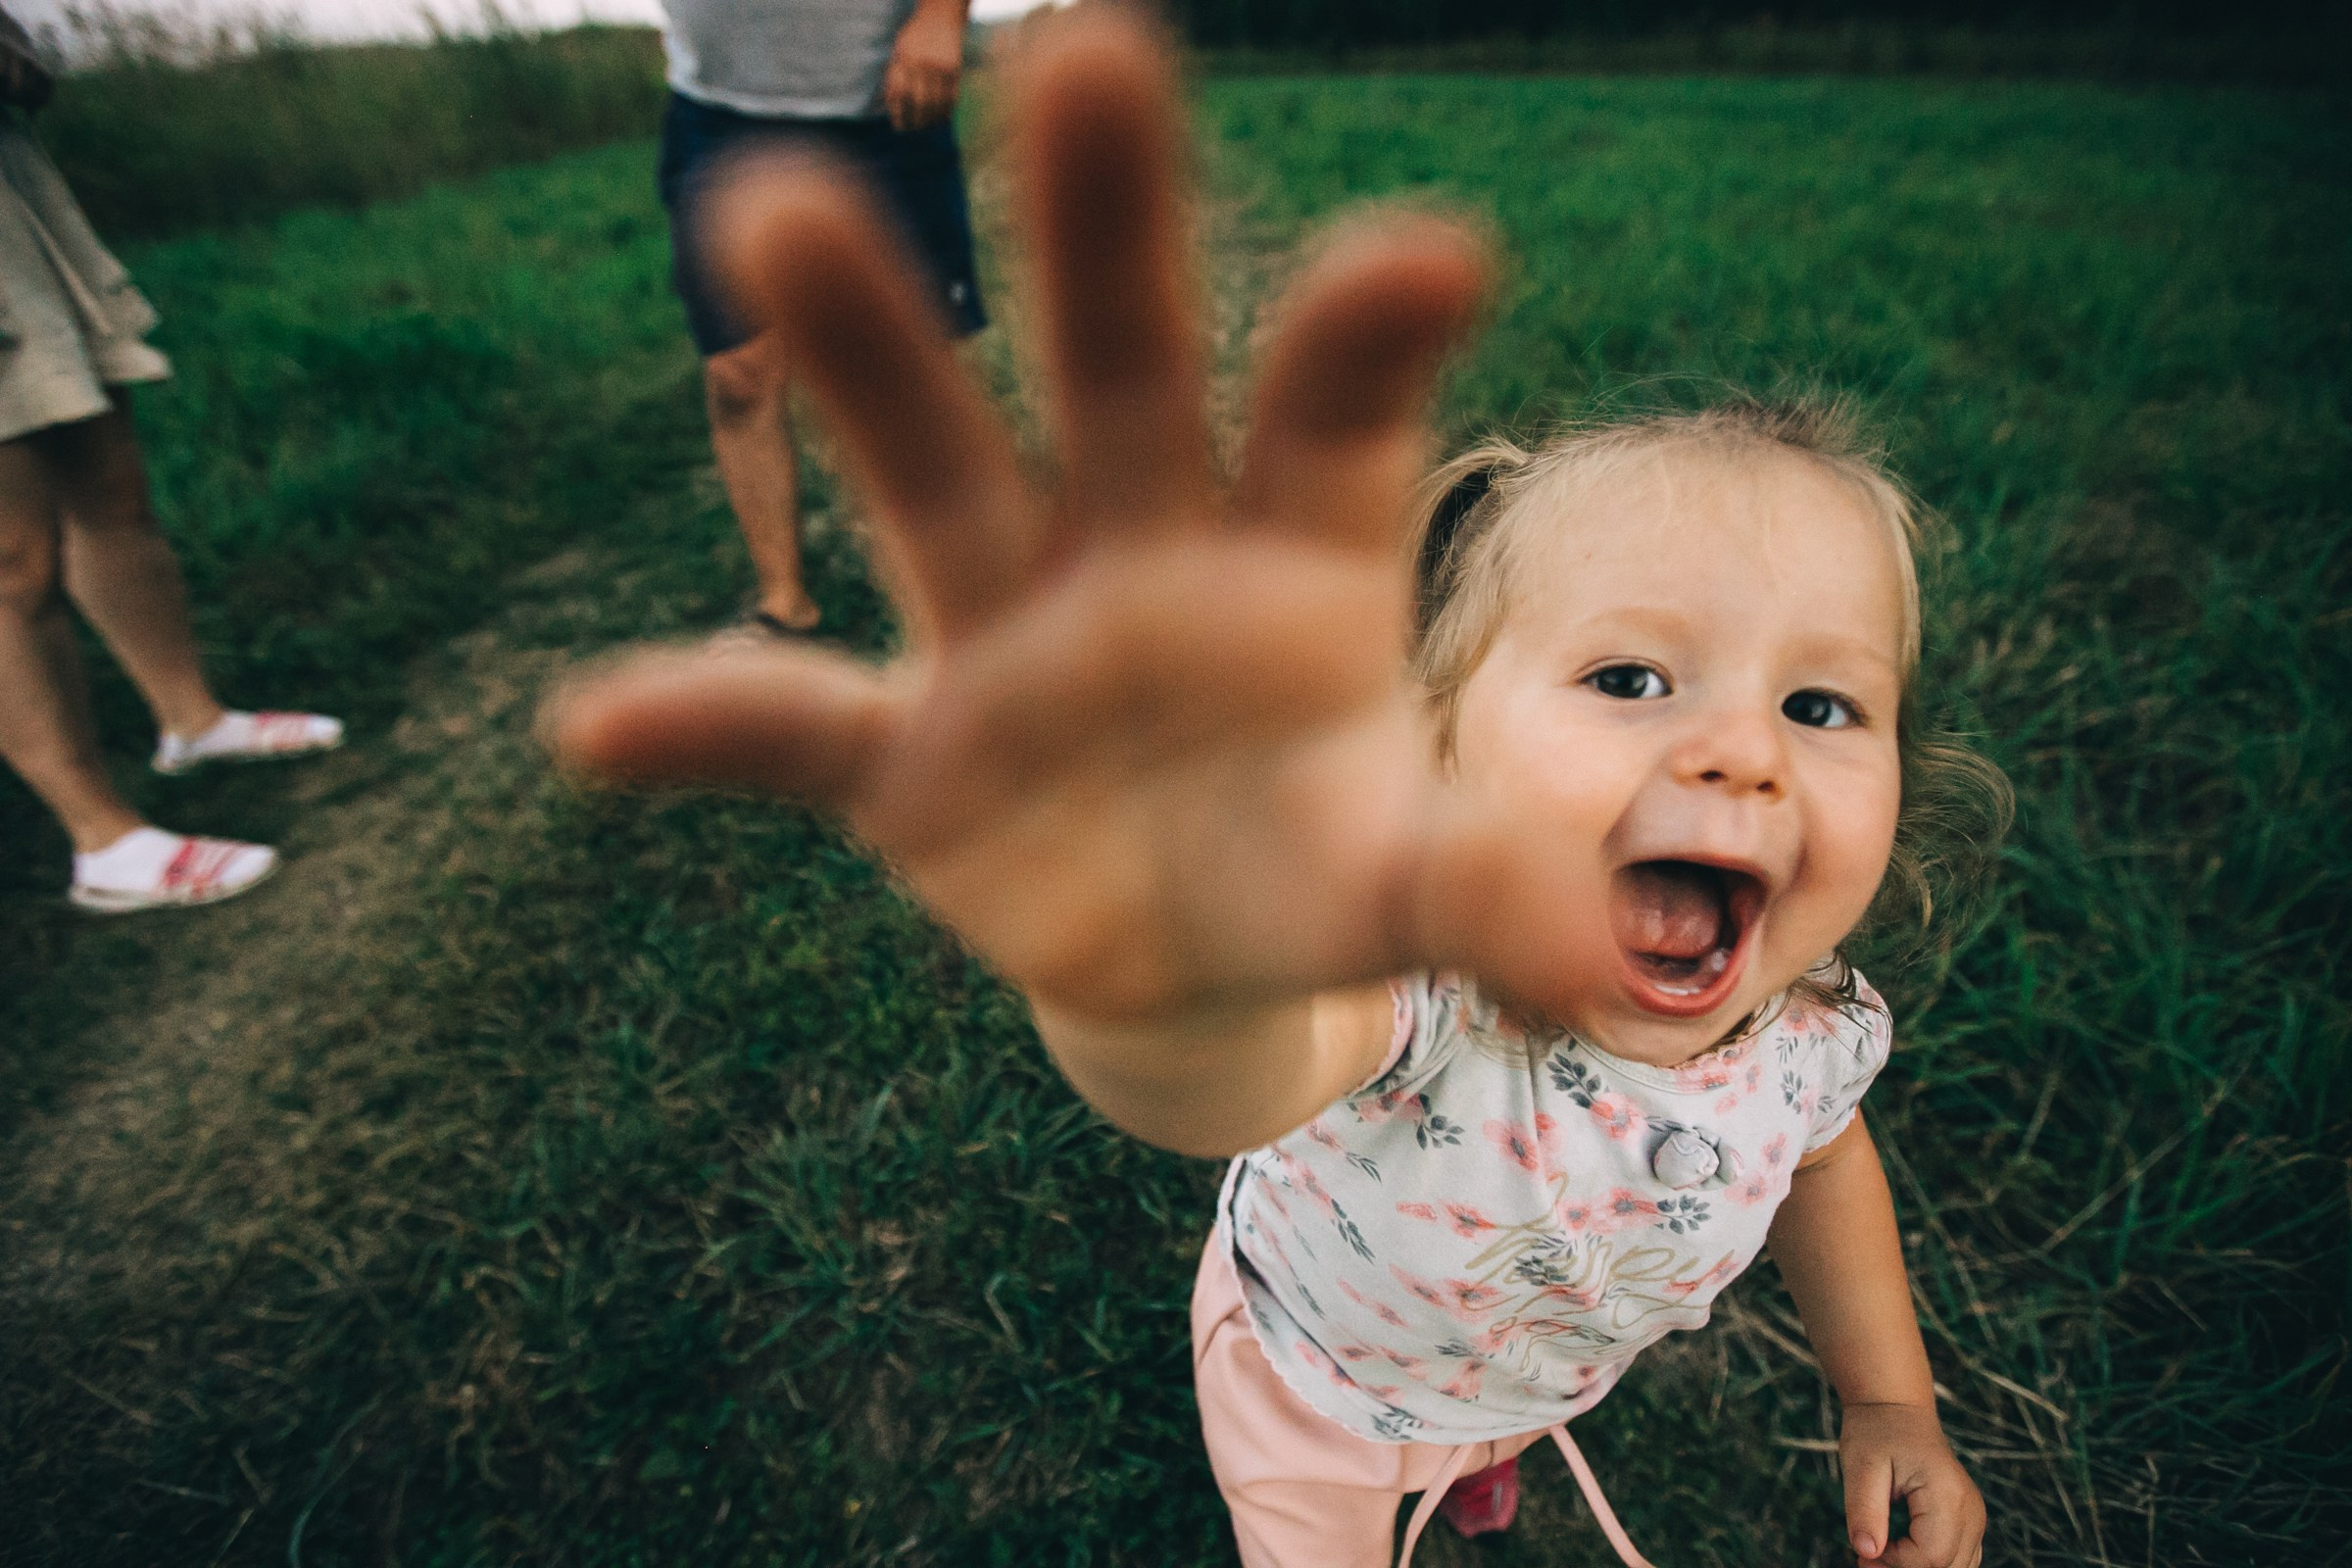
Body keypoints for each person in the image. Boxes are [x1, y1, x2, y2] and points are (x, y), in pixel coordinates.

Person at [552, 15, 1999, 1568]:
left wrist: (1888, 1399)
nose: (1743, 754)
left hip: (1514, 1366)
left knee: (1483, 1434)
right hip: (1320, 1396)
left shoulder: (1814, 1033)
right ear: (1438, 741)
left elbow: (1828, 1160)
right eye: (1631, 680)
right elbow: (1235, 1071)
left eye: (1824, 704)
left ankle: (1482, 1454)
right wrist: (1158, 985)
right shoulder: (1419, 994)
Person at [0, 5, 340, 913]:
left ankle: (191, 719)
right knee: (12, 558)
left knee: (109, 483)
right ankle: (100, 839)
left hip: (13, 214)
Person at [656, 0, 986, 637]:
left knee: (917, 372)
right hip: (715, 109)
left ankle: (964, 604)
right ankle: (784, 607)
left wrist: (943, 15)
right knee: (738, 373)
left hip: (883, 103)